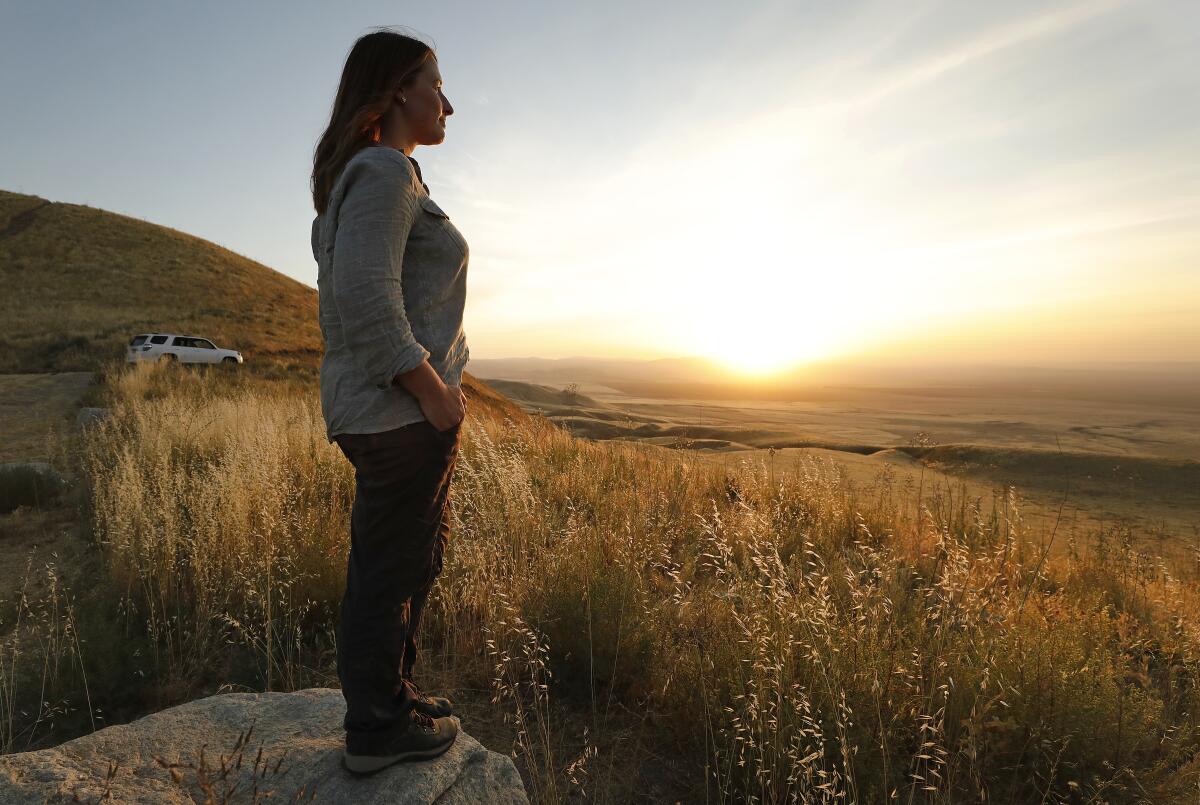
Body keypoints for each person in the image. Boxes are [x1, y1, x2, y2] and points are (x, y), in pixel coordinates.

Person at [310, 28, 469, 775]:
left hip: (390, 412)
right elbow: (367, 299)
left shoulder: (378, 173)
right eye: (436, 83)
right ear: (401, 90)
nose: (447, 102)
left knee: (403, 560)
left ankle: (392, 698)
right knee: (389, 564)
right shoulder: (383, 173)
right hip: (398, 412)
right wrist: (431, 389)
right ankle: (375, 725)